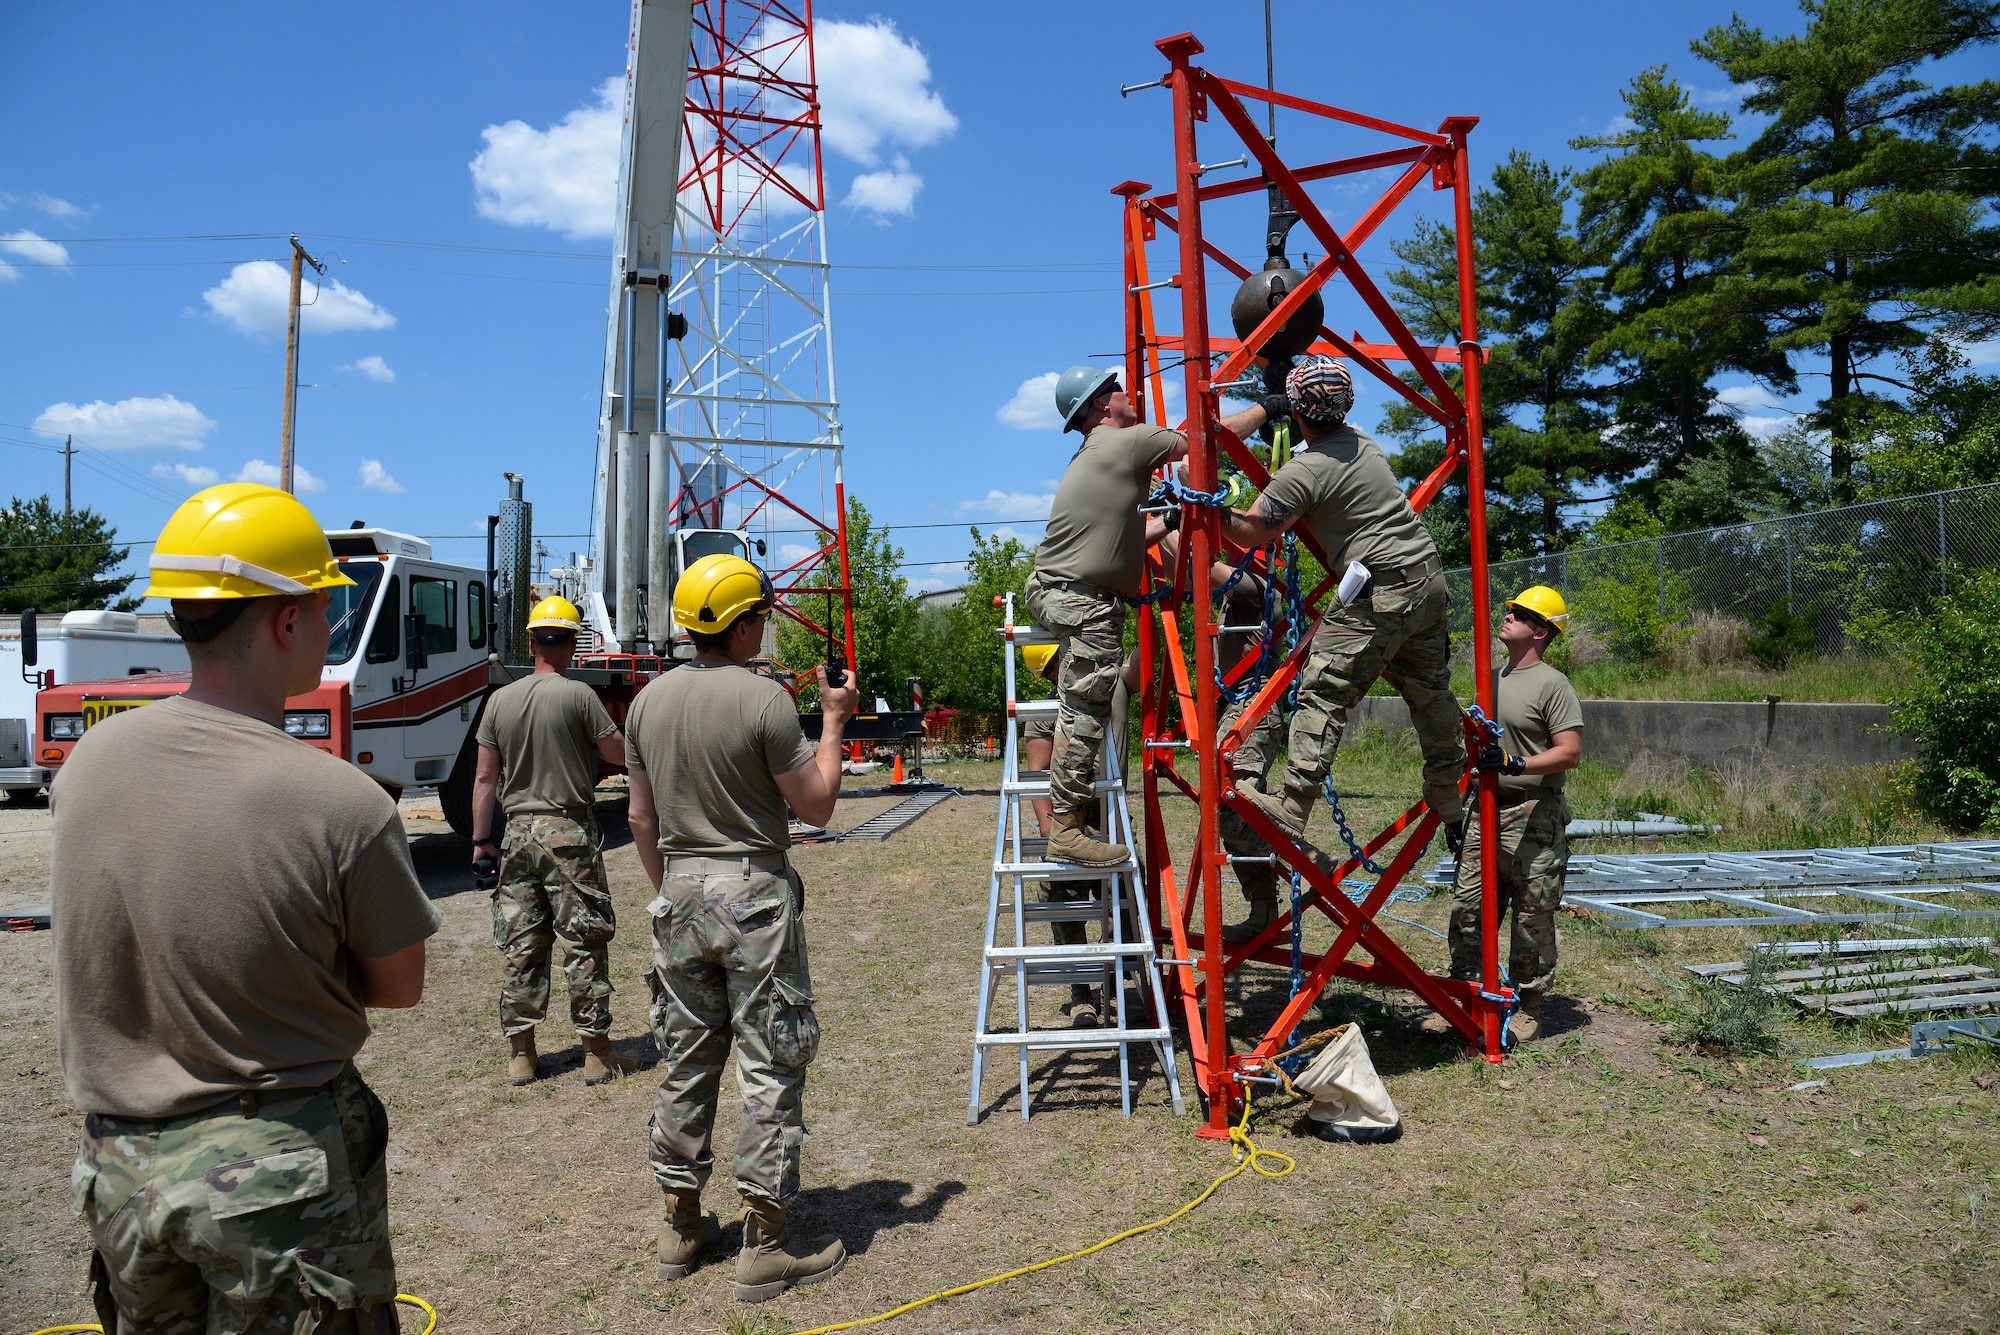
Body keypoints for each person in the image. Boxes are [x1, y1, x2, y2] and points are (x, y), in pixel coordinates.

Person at [52, 482, 440, 1333]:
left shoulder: (86, 763)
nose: (329, 624)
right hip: (276, 1180)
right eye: (322, 604)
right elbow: (399, 984)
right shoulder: (339, 799)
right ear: (285, 621)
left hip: (120, 1170)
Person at [623, 553, 858, 1303]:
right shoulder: (763, 702)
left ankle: (681, 1225)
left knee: (686, 1062)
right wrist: (832, 719)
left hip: (680, 890)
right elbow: (816, 805)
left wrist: (675, 893)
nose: (765, 627)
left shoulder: (645, 703)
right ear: (742, 620)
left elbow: (639, 816)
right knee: (768, 1066)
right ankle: (764, 1242)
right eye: (761, 614)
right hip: (755, 891)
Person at [1027, 365, 1275, 867]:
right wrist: (1270, 408)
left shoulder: (1099, 453)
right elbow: (1202, 443)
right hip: (1081, 598)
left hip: (1064, 588)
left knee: (1087, 703)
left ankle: (1070, 824)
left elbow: (1118, 544)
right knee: (1086, 708)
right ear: (1101, 406)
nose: (1126, 393)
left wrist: (1169, 521)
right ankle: (1067, 828)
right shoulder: (1126, 442)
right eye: (1115, 389)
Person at [1219, 354, 1468, 842]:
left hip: (1381, 589)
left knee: (1322, 691)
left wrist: (1204, 510)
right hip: (1428, 579)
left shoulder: (1306, 470)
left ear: (1296, 410)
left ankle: (1292, 805)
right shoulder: (1365, 444)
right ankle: (1448, 790)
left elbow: (1249, 531)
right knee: (1429, 689)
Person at [472, 594, 633, 1086]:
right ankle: (597, 1053)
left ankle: (521, 1053)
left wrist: (482, 842)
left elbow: (484, 781)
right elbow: (619, 753)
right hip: (569, 832)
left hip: (518, 834)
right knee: (582, 940)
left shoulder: (499, 701)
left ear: (531, 641)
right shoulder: (579, 696)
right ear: (571, 643)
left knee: (522, 942)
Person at [1422, 585, 1582, 1043]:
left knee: (1531, 915)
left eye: (1521, 613)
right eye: (1510, 609)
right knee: (1468, 908)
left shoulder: (1553, 684)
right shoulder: (1488, 680)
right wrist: (1456, 811)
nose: (1507, 616)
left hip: (1534, 812)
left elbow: (1569, 753)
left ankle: (1527, 1005)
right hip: (1483, 809)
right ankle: (1467, 996)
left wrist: (1517, 764)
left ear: (1541, 632)